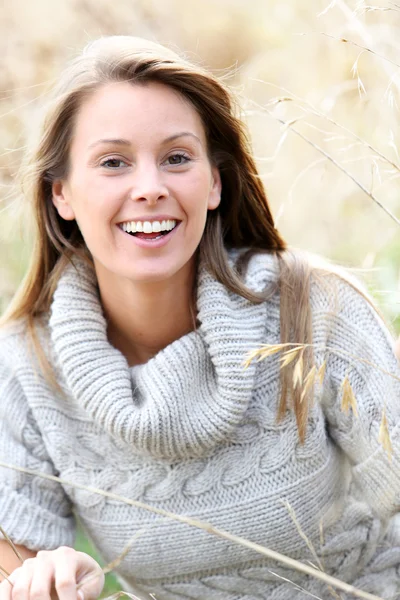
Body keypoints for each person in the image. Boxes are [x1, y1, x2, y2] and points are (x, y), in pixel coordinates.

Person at [0, 35, 399, 600]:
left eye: (177, 158)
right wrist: (56, 580)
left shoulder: (311, 309)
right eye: (113, 162)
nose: (150, 188)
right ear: (62, 193)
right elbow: (16, 576)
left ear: (214, 182)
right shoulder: (25, 364)